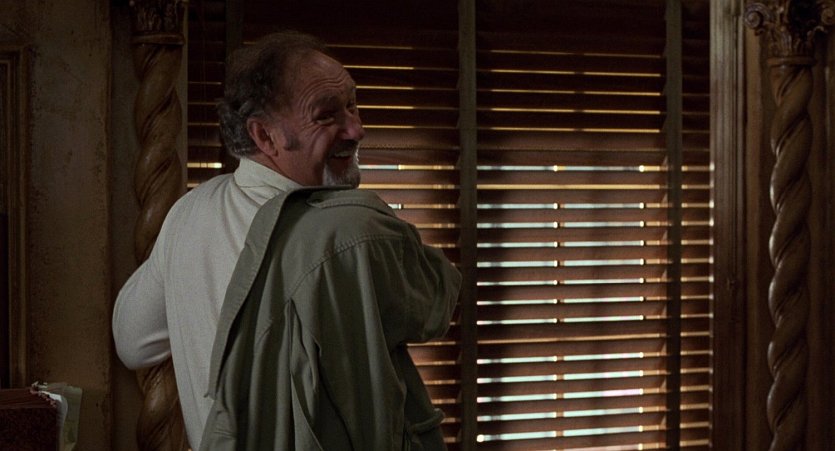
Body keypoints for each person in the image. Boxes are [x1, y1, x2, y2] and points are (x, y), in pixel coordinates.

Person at [112, 31, 461, 450]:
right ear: (264, 136)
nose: (357, 129)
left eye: (352, 105)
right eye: (326, 115)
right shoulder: (350, 230)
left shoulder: (190, 213)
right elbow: (436, 303)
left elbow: (133, 342)